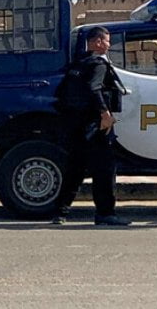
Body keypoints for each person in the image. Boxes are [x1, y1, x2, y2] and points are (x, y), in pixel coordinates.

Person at [52, 26, 131, 226]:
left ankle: (60, 212)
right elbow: (94, 88)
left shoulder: (78, 63)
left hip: (75, 124)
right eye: (107, 41)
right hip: (94, 124)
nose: (109, 45)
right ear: (98, 42)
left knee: (75, 169)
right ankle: (105, 213)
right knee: (104, 169)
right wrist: (105, 114)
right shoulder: (98, 64)